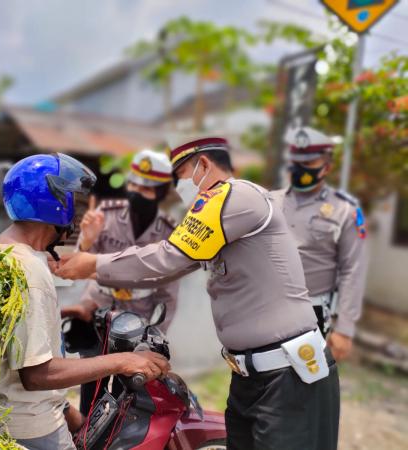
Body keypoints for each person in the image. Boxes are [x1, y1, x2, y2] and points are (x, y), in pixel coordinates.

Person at [53, 137, 340, 450]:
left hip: (287, 378)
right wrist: (89, 267)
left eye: (181, 176)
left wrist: (93, 263)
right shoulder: (225, 215)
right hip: (251, 377)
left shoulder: (232, 196)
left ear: (204, 165)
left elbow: (170, 257)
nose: (180, 188)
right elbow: (169, 269)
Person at [0, 153, 170, 450]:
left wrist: (69, 412)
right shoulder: (30, 272)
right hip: (33, 427)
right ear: (55, 201)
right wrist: (123, 361)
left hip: (19, 414)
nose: (77, 211)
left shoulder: (4, 253)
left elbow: (14, 347)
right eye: (74, 199)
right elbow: (36, 374)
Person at [61, 149, 180, 416]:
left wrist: (156, 335)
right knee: (92, 383)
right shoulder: (107, 215)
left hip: (137, 320)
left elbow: (169, 293)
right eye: (134, 184)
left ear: (161, 192)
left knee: (128, 391)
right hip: (98, 311)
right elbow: (82, 259)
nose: (138, 192)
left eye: (147, 188)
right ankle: (86, 439)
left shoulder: (169, 232)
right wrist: (87, 239)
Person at [271, 127, 367, 362]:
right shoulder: (270, 201)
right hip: (267, 308)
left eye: (310, 162)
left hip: (312, 314)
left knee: (307, 385)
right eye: (296, 161)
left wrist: (345, 328)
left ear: (327, 166)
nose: (300, 168)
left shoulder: (345, 210)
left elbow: (353, 270)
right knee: (263, 380)